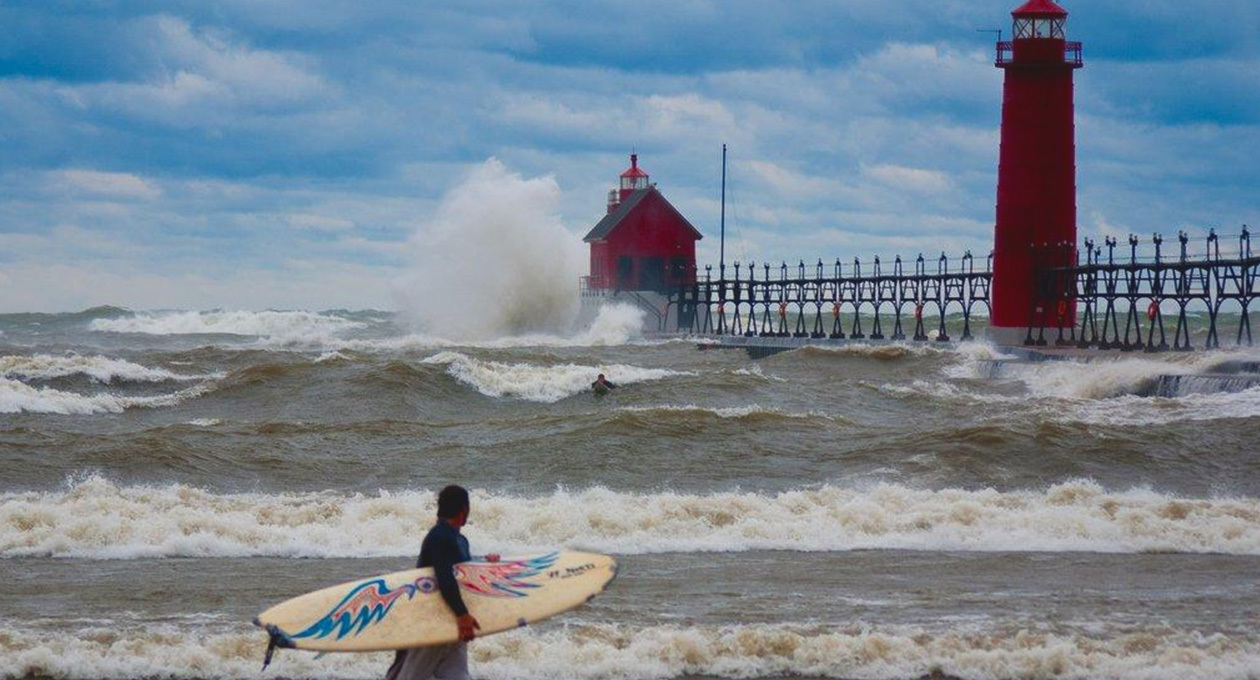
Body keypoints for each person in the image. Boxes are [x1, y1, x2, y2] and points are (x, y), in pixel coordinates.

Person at [385, 485, 499, 680]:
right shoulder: (442, 537)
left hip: (451, 618)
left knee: (456, 674)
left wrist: (485, 564)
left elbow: (461, 575)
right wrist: (462, 614)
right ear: (464, 509)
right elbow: (444, 576)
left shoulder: (455, 539)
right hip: (434, 620)